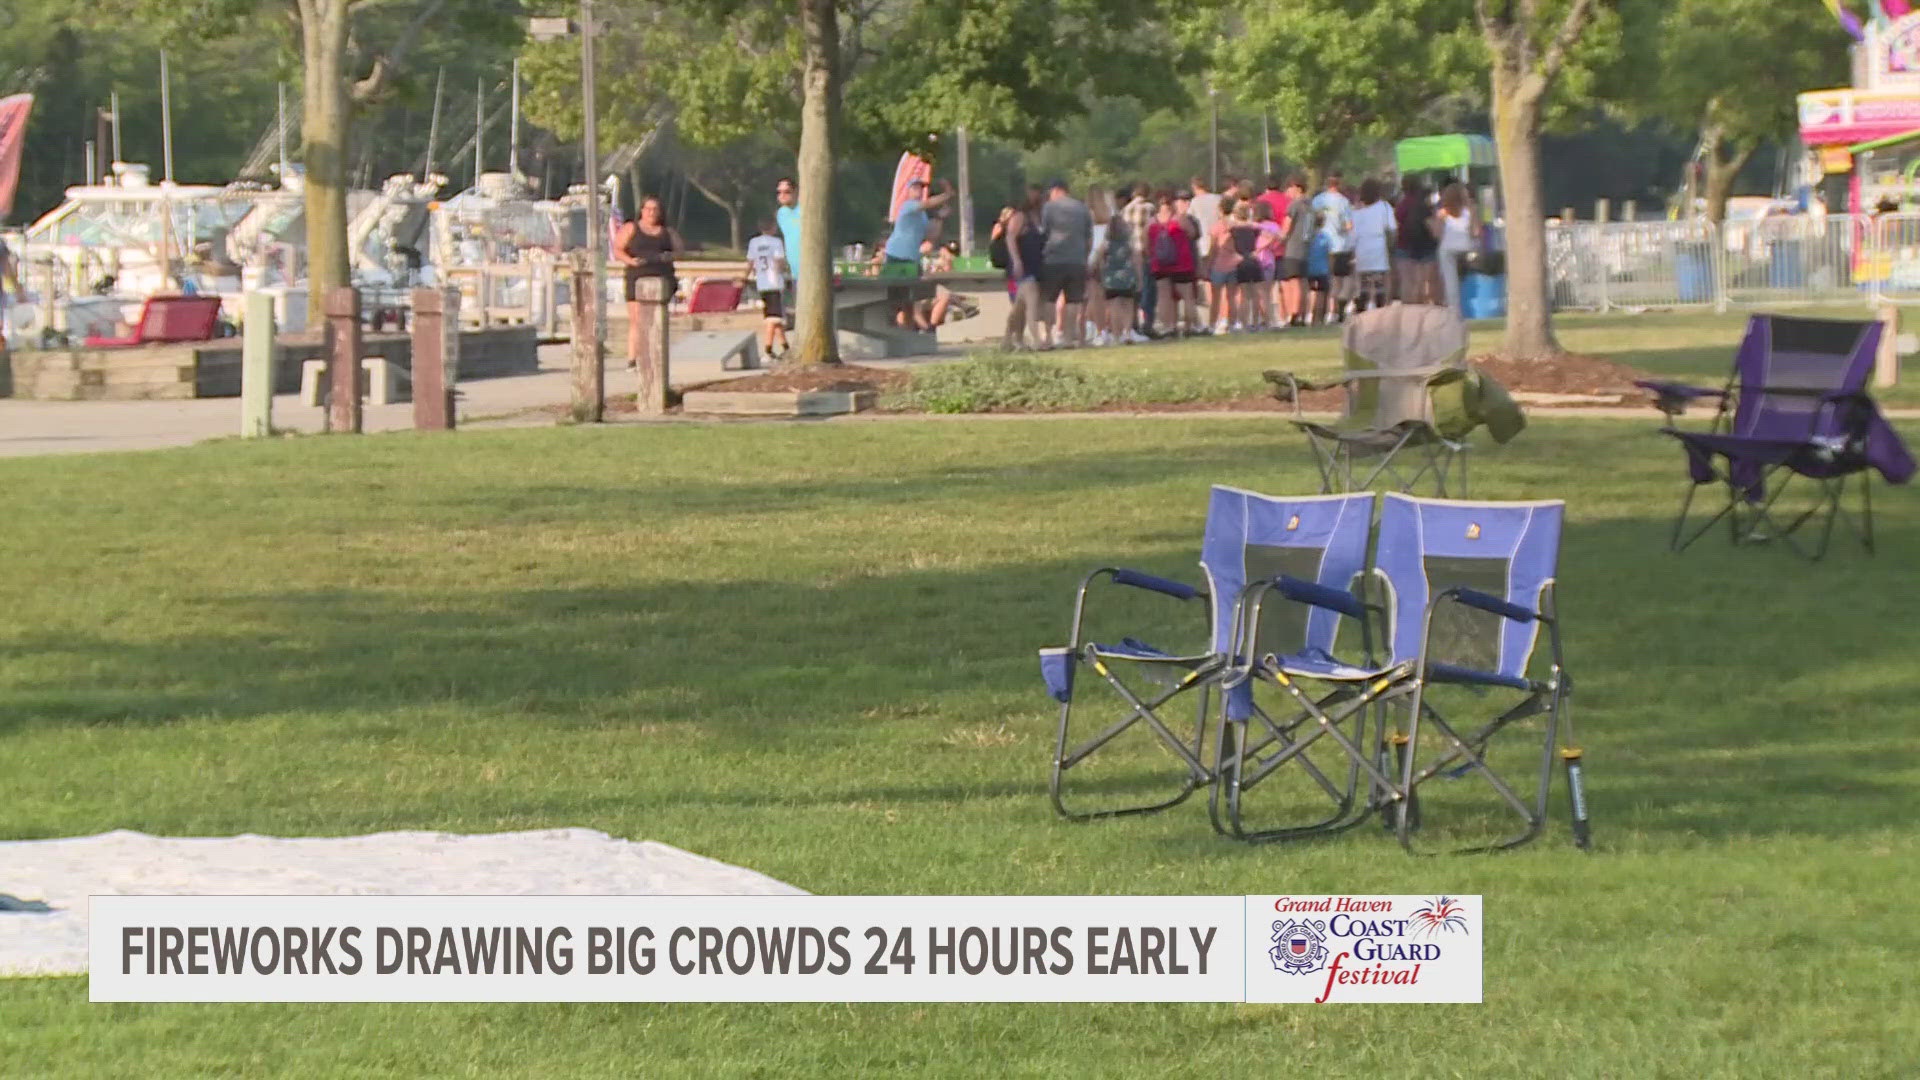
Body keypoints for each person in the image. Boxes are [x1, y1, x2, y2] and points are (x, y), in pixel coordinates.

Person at [613, 195, 684, 372]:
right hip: (637, 275)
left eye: (655, 209)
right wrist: (631, 261)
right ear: (642, 211)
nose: (651, 213)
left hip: (661, 277)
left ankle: (654, 355)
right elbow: (618, 249)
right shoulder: (631, 228)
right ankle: (632, 359)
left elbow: (680, 251)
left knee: (657, 320)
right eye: (648, 209)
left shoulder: (667, 232)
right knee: (637, 320)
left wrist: (670, 256)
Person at [1037, 179, 1093, 349]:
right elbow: (1088, 237)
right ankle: (1069, 338)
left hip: (1054, 259)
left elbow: (1044, 232)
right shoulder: (1082, 208)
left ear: (1055, 190)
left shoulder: (1049, 207)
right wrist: (1084, 256)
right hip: (1077, 260)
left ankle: (1048, 337)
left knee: (1049, 299)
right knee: (1073, 300)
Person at [1147, 192, 1198, 337]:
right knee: (1187, 295)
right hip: (1181, 263)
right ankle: (1190, 326)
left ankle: (1168, 326)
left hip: (1159, 264)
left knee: (1164, 296)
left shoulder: (1151, 222)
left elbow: (1146, 244)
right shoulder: (1180, 219)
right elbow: (1193, 234)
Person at [1002, 189, 1047, 350]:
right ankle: (1035, 339)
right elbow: (1010, 237)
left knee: (1019, 307)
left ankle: (1011, 339)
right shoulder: (1020, 217)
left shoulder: (1039, 219)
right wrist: (1016, 260)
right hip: (1020, 269)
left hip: (1035, 267)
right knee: (1028, 304)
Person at [744, 217, 790, 359]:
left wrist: (744, 277)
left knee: (774, 317)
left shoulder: (754, 242)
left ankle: (786, 348)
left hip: (762, 283)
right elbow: (779, 262)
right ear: (773, 228)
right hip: (774, 283)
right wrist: (785, 271)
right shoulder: (776, 243)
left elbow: (750, 263)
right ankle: (768, 349)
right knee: (773, 319)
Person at [1349, 177, 1396, 314]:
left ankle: (1362, 309)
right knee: (1379, 281)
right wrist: (1391, 246)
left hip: (1362, 247)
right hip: (1378, 246)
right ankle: (1380, 309)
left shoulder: (1356, 210)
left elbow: (1353, 232)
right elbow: (1392, 229)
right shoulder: (1384, 207)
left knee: (1364, 281)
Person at [1313, 172, 1355, 322]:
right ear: (1339, 184)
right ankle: (1340, 307)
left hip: (1321, 244)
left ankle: (1330, 312)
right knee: (1344, 278)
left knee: (1329, 280)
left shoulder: (1317, 201)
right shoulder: (1344, 202)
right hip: (1340, 245)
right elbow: (1349, 225)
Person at [1435, 182, 1479, 316]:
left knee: (1450, 282)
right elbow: (1475, 232)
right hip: (1466, 248)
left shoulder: (1442, 213)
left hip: (1448, 249)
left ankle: (1454, 311)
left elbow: (1437, 234)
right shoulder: (1470, 211)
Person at [1098, 212, 1142, 344]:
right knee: (1128, 305)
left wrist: (1102, 275)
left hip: (1111, 278)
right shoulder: (1129, 243)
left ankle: (1116, 334)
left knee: (1113, 307)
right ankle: (1127, 332)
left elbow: (1100, 260)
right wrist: (1139, 278)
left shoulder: (1106, 244)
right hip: (1127, 277)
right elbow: (1136, 261)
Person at [1120, 182, 1158, 336]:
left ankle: (1133, 323)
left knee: (1133, 289)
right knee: (1148, 290)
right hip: (1145, 251)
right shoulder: (1149, 208)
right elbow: (1153, 228)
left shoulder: (1125, 209)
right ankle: (1148, 323)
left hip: (1130, 252)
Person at [1396, 178, 1439, 304]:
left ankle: (1409, 308)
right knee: (1426, 281)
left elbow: (1396, 225)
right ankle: (1424, 306)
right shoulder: (1423, 206)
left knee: (1408, 281)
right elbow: (1433, 229)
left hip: (1405, 244)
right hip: (1426, 246)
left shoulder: (1401, 205)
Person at [1279, 175, 1314, 327]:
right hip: (1305, 247)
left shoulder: (1295, 205)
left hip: (1293, 247)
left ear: (1297, 188)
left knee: (1294, 282)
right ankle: (1304, 313)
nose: (1287, 191)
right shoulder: (1310, 206)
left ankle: (1294, 314)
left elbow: (1286, 227)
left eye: (1290, 188)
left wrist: (1278, 238)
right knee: (1303, 282)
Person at [1228, 200, 1266, 330]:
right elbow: (1266, 233)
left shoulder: (1233, 230)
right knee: (1256, 293)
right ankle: (1255, 322)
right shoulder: (1254, 229)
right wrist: (1257, 251)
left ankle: (1244, 323)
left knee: (1244, 294)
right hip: (1253, 259)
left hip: (1240, 260)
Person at [1207, 195, 1241, 333]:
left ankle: (1213, 323)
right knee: (1232, 296)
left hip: (1219, 265)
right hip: (1234, 263)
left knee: (1216, 297)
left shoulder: (1217, 226)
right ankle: (1231, 322)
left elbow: (1213, 247)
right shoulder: (1235, 225)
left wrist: (1208, 263)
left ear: (1220, 210)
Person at [1083, 184, 1111, 345]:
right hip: (1105, 256)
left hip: (1090, 256)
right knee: (1104, 298)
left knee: (1092, 296)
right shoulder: (1109, 213)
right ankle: (1103, 329)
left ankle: (1092, 327)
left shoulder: (1086, 214)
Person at [1252, 200, 1286, 329]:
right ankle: (1269, 319)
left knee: (1259, 292)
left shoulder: (1255, 225)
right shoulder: (1273, 226)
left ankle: (1266, 319)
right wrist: (1273, 246)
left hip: (1258, 259)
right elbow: (1282, 237)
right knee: (1267, 292)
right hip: (1270, 259)